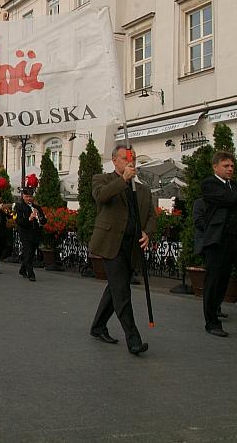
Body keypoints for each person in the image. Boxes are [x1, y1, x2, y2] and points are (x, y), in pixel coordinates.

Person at [89, 144, 156, 355]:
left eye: (134, 158)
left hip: (131, 246)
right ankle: (133, 339)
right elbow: (101, 197)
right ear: (114, 160)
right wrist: (123, 180)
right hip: (111, 243)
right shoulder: (103, 179)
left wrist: (148, 232)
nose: (131, 161)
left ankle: (98, 325)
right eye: (126, 157)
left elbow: (152, 216)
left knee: (116, 288)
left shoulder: (142, 189)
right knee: (122, 291)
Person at [201, 151, 237, 337]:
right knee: (213, 279)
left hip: (232, 239)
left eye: (232, 166)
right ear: (216, 167)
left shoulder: (233, 186)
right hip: (217, 239)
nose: (230, 169)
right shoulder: (209, 184)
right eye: (226, 166)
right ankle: (211, 322)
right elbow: (228, 199)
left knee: (224, 278)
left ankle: (216, 308)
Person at [15, 184, 47, 281]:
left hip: (35, 233)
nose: (29, 198)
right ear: (23, 196)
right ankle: (31, 273)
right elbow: (19, 221)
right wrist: (29, 218)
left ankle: (23, 269)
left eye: (30, 196)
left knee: (31, 253)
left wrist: (40, 217)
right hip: (25, 233)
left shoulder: (37, 207)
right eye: (27, 196)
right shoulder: (19, 207)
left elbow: (44, 221)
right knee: (28, 252)